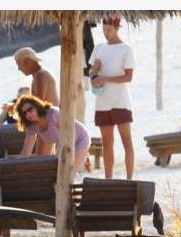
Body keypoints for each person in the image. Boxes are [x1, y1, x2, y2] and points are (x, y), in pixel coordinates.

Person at [89, 17, 136, 179]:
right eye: (104, 29)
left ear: (117, 28)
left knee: (126, 140)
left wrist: (104, 79)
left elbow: (128, 77)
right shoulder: (99, 48)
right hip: (102, 101)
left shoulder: (126, 49)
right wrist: (95, 72)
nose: (106, 33)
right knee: (107, 143)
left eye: (109, 30)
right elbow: (92, 77)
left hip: (121, 101)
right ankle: (108, 179)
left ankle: (129, 179)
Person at [15, 94, 90, 173]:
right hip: (63, 143)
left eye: (30, 109)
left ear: (36, 106)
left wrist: (64, 154)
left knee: (70, 173)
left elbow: (71, 133)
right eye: (24, 113)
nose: (28, 114)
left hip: (80, 138)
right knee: (59, 172)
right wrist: (16, 165)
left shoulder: (53, 114)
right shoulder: (31, 126)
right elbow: (26, 151)